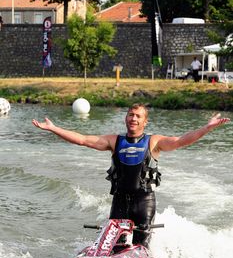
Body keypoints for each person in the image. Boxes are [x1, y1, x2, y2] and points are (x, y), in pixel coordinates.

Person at [32, 104, 230, 248]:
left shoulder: (154, 141)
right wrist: (54, 128)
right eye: (130, 115)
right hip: (119, 201)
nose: (133, 118)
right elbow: (83, 140)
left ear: (145, 121)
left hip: (144, 202)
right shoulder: (113, 140)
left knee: (141, 247)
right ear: (125, 118)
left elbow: (181, 141)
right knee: (115, 247)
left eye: (137, 116)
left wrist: (207, 128)